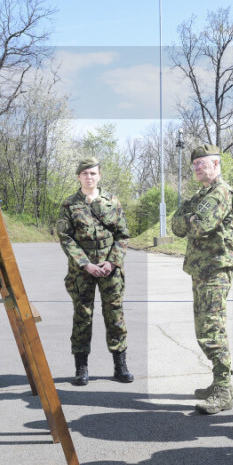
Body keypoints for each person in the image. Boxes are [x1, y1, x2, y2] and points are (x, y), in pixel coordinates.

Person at [172, 144, 233, 415]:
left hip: (214, 270)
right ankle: (218, 382)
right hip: (201, 270)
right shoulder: (201, 195)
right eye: (194, 164)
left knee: (212, 329)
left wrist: (190, 217)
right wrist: (191, 216)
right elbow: (176, 225)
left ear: (216, 164)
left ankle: (223, 390)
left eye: (202, 163)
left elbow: (200, 226)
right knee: (203, 329)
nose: (197, 167)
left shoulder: (221, 192)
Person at [56, 157, 133, 386]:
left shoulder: (112, 201)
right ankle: (81, 368)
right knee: (82, 315)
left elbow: (123, 234)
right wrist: (85, 263)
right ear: (78, 177)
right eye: (84, 174)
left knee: (115, 315)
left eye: (92, 173)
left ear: (99, 176)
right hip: (82, 271)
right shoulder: (69, 204)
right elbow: (65, 237)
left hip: (110, 270)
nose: (89, 177)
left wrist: (112, 262)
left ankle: (120, 365)